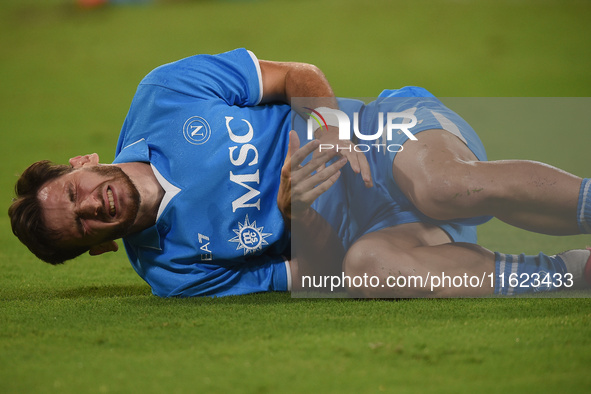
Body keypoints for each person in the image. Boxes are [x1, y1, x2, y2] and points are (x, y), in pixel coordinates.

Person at [8, 48, 591, 298]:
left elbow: (295, 75)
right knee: (368, 270)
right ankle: (572, 274)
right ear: (98, 250)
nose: (92, 206)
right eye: (81, 225)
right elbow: (315, 280)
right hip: (367, 234)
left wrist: (332, 130)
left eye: (73, 192)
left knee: (444, 187)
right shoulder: (173, 273)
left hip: (382, 135)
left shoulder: (163, 95)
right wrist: (298, 211)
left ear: (80, 165)